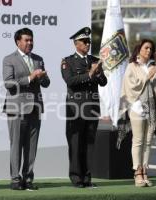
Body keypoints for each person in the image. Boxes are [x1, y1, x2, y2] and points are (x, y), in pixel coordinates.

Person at [3, 27, 50, 190]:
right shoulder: (9, 59)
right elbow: (8, 83)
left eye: (31, 40)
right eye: (26, 40)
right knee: (16, 145)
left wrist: (43, 77)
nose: (30, 43)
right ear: (18, 42)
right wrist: (31, 77)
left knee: (32, 146)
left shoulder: (38, 59)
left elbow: (46, 83)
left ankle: (28, 178)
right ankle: (15, 179)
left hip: (35, 108)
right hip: (16, 109)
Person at [61, 27, 107, 188]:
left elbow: (103, 82)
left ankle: (87, 178)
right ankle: (76, 178)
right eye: (84, 41)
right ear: (76, 44)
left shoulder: (94, 60)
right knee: (75, 144)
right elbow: (70, 81)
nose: (87, 44)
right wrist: (89, 74)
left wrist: (99, 73)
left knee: (89, 145)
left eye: (88, 41)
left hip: (92, 109)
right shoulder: (68, 61)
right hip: (76, 109)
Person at [119, 39, 156, 187]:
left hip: (152, 110)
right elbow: (129, 86)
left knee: (148, 142)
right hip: (138, 108)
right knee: (138, 141)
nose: (149, 51)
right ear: (139, 49)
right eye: (146, 48)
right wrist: (147, 76)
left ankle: (145, 171)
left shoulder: (153, 66)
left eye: (151, 49)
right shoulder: (132, 66)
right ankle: (137, 172)